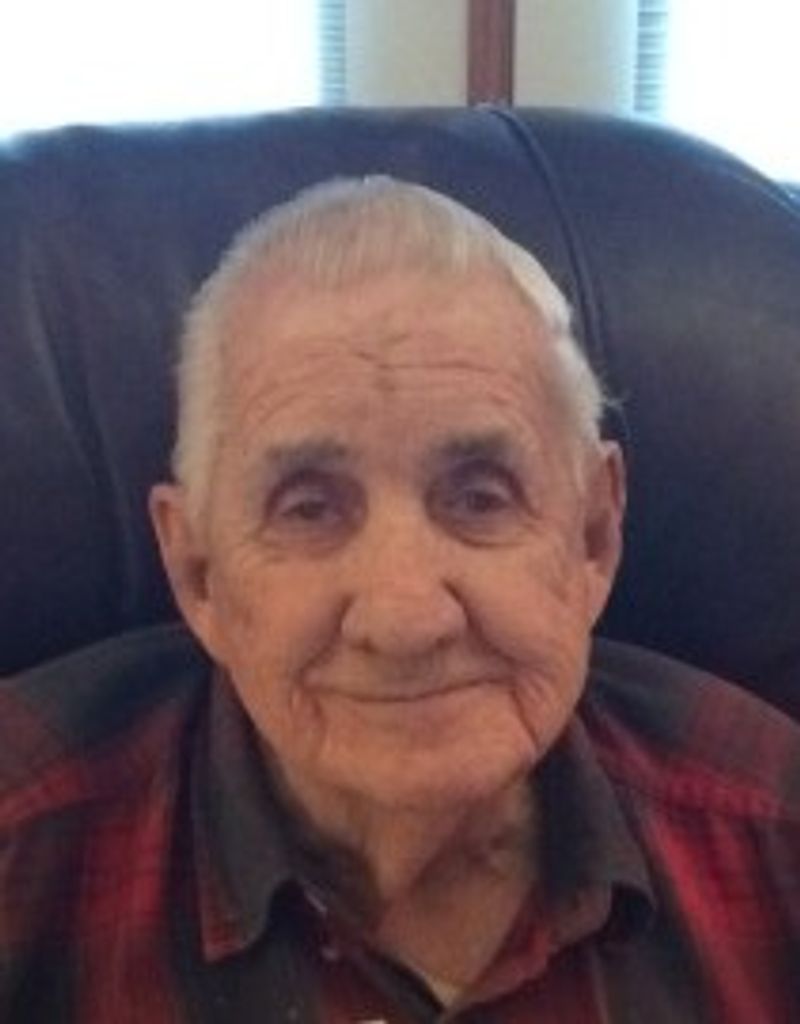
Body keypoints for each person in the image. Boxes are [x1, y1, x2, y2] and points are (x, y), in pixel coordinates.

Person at [2, 177, 800, 1024]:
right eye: (308, 508)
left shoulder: (775, 833)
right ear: (198, 573)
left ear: (593, 538)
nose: (406, 620)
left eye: (481, 497)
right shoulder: (22, 849)